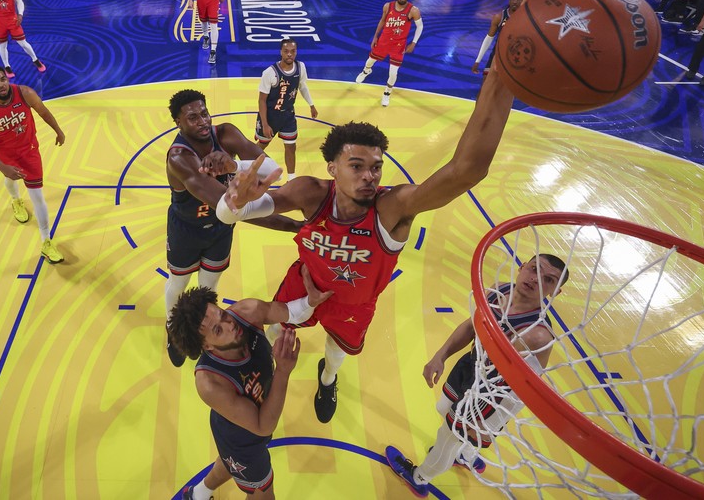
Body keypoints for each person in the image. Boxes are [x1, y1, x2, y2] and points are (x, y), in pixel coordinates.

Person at [215, 65, 516, 424]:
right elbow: (230, 216)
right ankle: (272, 372)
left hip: (353, 301)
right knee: (277, 331)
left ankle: (328, 380)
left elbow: (466, 171)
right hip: (305, 281)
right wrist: (232, 201)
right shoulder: (309, 192)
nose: (369, 176)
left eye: (376, 167)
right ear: (332, 168)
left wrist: (503, 77)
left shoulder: (394, 208)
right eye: (356, 166)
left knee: (336, 353)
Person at [385, 254, 570, 497]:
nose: (535, 279)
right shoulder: (498, 290)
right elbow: (471, 326)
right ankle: (468, 452)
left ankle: (420, 477)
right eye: (534, 269)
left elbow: (523, 391)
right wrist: (440, 355)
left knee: (447, 437)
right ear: (522, 267)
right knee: (444, 408)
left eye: (548, 280)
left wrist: (488, 424)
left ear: (554, 292)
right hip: (473, 364)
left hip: (494, 392)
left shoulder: (538, 336)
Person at [164, 89, 302, 368]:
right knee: (178, 283)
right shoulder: (180, 158)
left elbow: (269, 167)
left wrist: (234, 164)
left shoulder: (225, 133)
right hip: (187, 230)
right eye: (192, 118)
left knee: (209, 284)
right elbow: (230, 208)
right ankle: (172, 328)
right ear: (178, 123)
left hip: (219, 229)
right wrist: (293, 225)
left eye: (204, 113)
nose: (202, 121)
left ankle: (204, 330)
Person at [170, 266, 332, 500]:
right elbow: (262, 425)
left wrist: (311, 301)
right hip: (242, 439)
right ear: (206, 346)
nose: (229, 324)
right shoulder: (209, 383)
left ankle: (198, 494)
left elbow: (291, 312)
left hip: (239, 427)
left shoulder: (247, 311)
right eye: (218, 329)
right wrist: (283, 372)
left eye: (222, 314)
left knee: (229, 462)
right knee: (264, 493)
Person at [0, 65, 66, 264]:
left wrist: (58, 130)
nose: (1, 84)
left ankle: (46, 242)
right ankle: (15, 199)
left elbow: (43, 112)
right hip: (4, 153)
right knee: (9, 178)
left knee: (38, 196)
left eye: (3, 79)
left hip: (29, 150)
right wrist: (1, 165)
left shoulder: (25, 93)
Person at [256, 38, 319, 182]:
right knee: (259, 148)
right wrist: (265, 124)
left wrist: (311, 104)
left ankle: (291, 179)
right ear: (281, 52)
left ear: (296, 52)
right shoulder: (270, 73)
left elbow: (302, 86)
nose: (289, 54)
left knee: (291, 147)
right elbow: (262, 100)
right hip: (270, 116)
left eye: (293, 51)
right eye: (286, 51)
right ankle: (242, 169)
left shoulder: (301, 67)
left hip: (288, 115)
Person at [354, 0, 424, 107]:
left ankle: (387, 93)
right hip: (384, 41)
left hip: (398, 45)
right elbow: (382, 20)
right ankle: (365, 72)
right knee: (370, 61)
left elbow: (420, 26)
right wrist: (375, 36)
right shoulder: (388, 6)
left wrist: (413, 43)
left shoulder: (413, 10)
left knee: (393, 73)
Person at [472, 0, 525, 75]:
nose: (515, 2)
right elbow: (489, 38)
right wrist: (478, 60)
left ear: (523, 1)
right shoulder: (499, 17)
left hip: (515, 56)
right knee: (486, 82)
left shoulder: (527, 19)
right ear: (509, 0)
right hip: (497, 54)